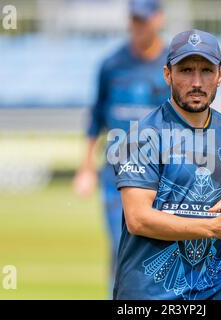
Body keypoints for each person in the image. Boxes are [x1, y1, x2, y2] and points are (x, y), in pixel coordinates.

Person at [112, 29, 221, 300]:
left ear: (220, 75)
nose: (197, 81)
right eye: (185, 70)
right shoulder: (143, 135)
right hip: (149, 296)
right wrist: (211, 226)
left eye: (206, 70)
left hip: (215, 291)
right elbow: (138, 219)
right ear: (167, 74)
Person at [73, 0, 169, 290]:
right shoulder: (111, 65)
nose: (138, 25)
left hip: (163, 176)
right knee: (122, 247)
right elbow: (96, 118)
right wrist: (86, 168)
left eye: (144, 19)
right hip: (118, 175)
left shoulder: (175, 66)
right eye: (134, 19)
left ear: (159, 19)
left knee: (163, 253)